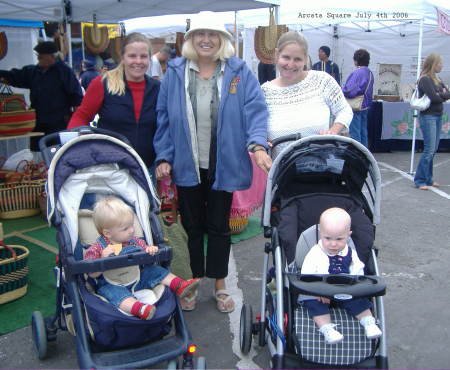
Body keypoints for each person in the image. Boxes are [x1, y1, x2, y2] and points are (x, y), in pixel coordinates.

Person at [154, 11, 272, 313]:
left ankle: (219, 284)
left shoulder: (239, 70)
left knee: (219, 226)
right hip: (186, 163)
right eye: (200, 35)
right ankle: (192, 282)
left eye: (213, 35)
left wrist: (258, 145)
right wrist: (164, 155)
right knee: (193, 227)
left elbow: (255, 112)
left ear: (222, 40)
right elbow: (164, 119)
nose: (206, 40)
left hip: (224, 163)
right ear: (191, 39)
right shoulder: (175, 71)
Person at [85, 196, 201, 320]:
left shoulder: (134, 241)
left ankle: (180, 285)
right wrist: (102, 259)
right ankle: (139, 309)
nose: (132, 230)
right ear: (107, 233)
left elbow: (145, 250)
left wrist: (149, 250)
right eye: (125, 228)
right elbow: (91, 274)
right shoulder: (97, 248)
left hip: (138, 280)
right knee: (116, 295)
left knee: (153, 270)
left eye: (132, 225)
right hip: (114, 285)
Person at [67, 32, 160, 173]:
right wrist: (85, 146)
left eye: (143, 56)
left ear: (149, 59)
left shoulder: (157, 88)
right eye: (132, 56)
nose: (138, 61)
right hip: (109, 169)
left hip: (146, 169)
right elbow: (81, 117)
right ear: (122, 58)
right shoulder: (103, 83)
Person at [262, 31, 353, 156]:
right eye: (286, 57)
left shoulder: (322, 81)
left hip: (320, 168)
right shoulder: (264, 91)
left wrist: (332, 132)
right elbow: (255, 129)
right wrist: (261, 144)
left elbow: (345, 111)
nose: (291, 64)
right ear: (277, 55)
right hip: (280, 171)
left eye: (297, 59)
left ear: (306, 58)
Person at [300, 207, 382, 345]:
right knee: (313, 303)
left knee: (360, 301)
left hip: (345, 291)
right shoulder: (315, 253)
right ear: (320, 233)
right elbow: (306, 274)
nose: (333, 244)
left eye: (339, 239)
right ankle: (327, 329)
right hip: (320, 293)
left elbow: (358, 272)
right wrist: (319, 290)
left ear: (348, 235)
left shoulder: (350, 253)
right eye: (327, 238)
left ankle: (369, 322)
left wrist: (355, 289)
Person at [0, 41, 83, 151]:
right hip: (37, 123)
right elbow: (15, 76)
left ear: (51, 56)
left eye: (41, 55)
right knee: (37, 155)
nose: (38, 58)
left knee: (56, 155)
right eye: (37, 55)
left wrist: (75, 124)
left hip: (57, 124)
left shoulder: (64, 71)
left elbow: (76, 98)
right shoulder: (32, 71)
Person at [413, 54, 450, 190]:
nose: (442, 65)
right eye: (440, 63)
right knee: (429, 149)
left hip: (438, 115)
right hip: (428, 116)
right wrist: (441, 94)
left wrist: (441, 94)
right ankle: (420, 179)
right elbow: (434, 97)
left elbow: (448, 93)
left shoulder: (437, 79)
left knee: (433, 149)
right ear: (433, 64)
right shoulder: (425, 79)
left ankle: (428, 178)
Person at [342, 49, 374, 148]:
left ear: (355, 60)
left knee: (355, 133)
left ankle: (357, 153)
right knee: (363, 132)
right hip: (365, 106)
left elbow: (350, 91)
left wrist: (342, 88)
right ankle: (365, 153)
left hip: (355, 106)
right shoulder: (369, 72)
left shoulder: (357, 73)